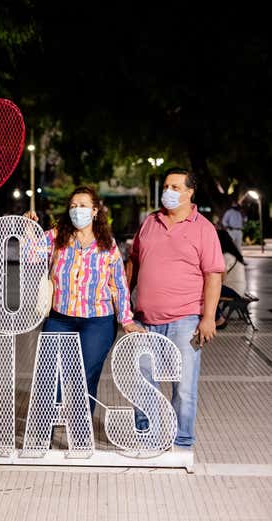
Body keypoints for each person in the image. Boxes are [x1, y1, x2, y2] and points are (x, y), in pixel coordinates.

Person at [25, 186, 145, 416]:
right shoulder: (56, 236)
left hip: (98, 323)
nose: (77, 210)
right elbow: (31, 256)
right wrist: (29, 228)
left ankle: (81, 437)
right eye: (73, 206)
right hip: (60, 320)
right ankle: (43, 436)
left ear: (95, 211)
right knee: (49, 378)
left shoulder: (107, 245)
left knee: (84, 378)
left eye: (82, 206)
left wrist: (126, 319)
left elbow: (118, 285)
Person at [127, 167, 224, 450]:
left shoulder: (203, 228)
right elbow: (133, 264)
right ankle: (147, 438)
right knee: (143, 383)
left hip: (185, 321)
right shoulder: (150, 222)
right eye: (166, 187)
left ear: (190, 192)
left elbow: (214, 275)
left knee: (183, 386)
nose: (167, 192)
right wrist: (124, 307)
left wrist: (209, 317)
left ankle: (181, 442)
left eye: (175, 188)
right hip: (146, 320)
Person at [215, 228, 247, 328]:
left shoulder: (226, 256)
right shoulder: (232, 254)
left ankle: (218, 319)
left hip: (233, 290)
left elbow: (220, 277)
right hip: (237, 289)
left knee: (206, 292)